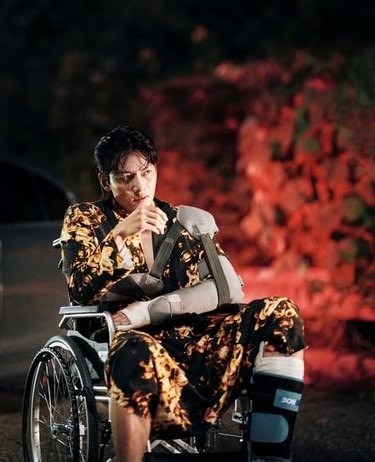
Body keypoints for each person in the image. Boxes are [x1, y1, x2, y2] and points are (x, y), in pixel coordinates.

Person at [61, 125, 306, 462]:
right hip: (135, 344)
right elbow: (80, 288)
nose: (139, 186)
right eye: (126, 177)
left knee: (280, 313)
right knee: (132, 349)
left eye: (146, 172)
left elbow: (228, 288)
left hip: (195, 339)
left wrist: (144, 311)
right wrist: (119, 235)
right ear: (106, 181)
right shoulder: (86, 218)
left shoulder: (183, 221)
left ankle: (271, 454)